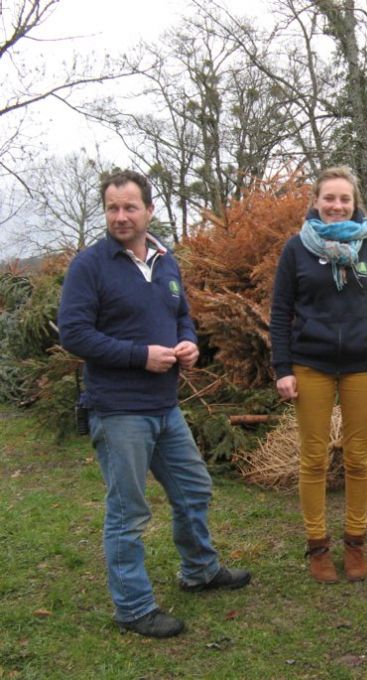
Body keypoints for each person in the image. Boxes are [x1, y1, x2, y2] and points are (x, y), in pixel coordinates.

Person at [57, 170, 251, 639]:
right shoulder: (90, 266)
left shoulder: (166, 260)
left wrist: (188, 344)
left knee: (194, 490)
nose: (120, 217)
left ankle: (199, 570)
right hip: (119, 410)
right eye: (112, 208)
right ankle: (134, 608)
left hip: (165, 407)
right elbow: (74, 334)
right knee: (128, 512)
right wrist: (141, 356)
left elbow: (181, 314)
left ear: (148, 210)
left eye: (129, 207)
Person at [269, 166, 367, 584]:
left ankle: (356, 543)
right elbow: (280, 312)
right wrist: (283, 367)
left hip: (362, 364)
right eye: (329, 198)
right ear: (316, 202)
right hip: (311, 365)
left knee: (359, 458)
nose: (337, 206)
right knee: (314, 458)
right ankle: (318, 547)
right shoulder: (296, 250)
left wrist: (361, 325)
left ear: (354, 202)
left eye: (344, 199)